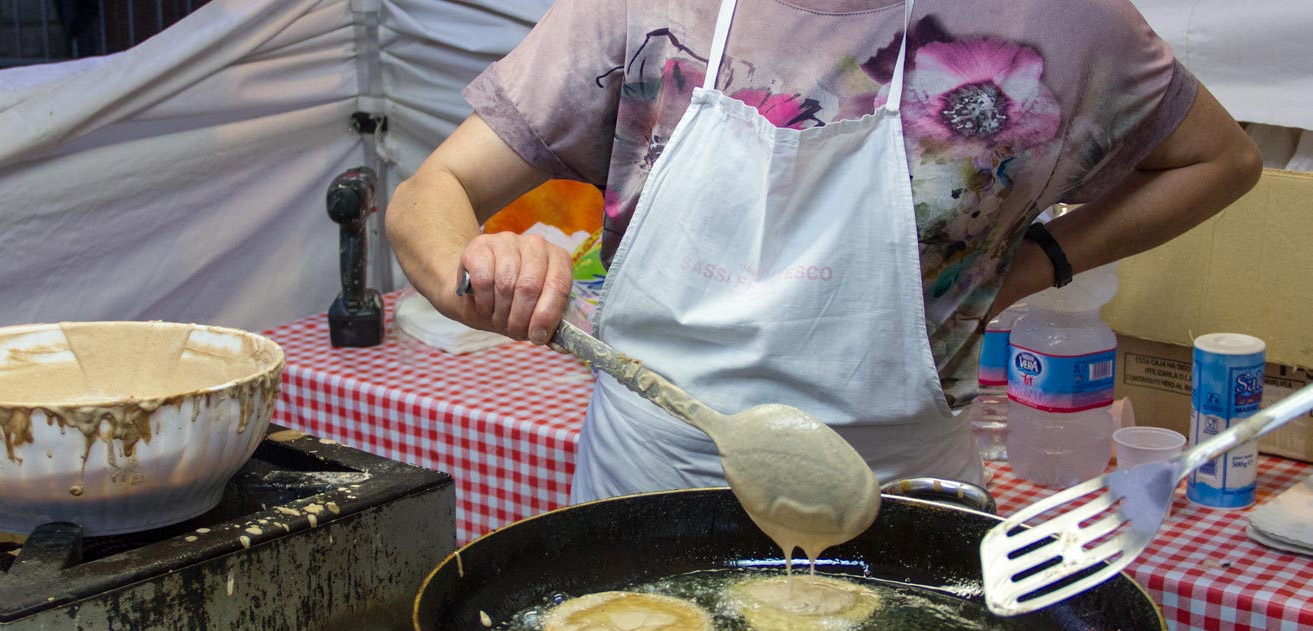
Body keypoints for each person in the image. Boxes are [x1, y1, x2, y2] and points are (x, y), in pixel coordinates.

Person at [386, 0, 1261, 501]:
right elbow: (430, 196)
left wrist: (1032, 266)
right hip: (645, 494)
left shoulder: (1052, 20)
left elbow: (1220, 160)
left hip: (903, 502)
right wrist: (481, 269)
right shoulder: (645, 6)